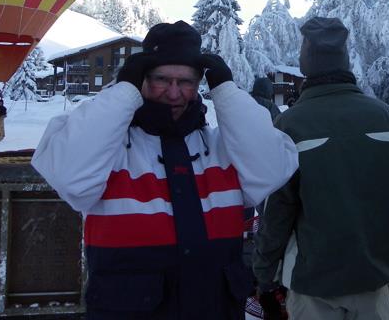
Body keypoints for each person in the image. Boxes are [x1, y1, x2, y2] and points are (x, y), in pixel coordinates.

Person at [31, 20, 299, 319]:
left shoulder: (221, 148)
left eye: (185, 82)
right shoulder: (112, 150)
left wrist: (226, 90)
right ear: (140, 80)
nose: (174, 93)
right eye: (161, 79)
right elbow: (71, 176)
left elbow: (273, 167)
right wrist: (123, 91)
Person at [252, 16, 389, 320]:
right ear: (344, 60)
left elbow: (276, 212)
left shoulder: (291, 125)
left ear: (305, 64)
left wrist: (264, 275)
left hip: (312, 283)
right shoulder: (387, 119)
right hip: (373, 278)